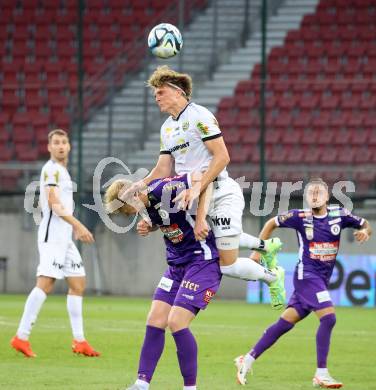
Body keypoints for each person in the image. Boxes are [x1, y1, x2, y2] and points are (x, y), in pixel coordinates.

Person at [122, 65, 285, 308]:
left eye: (161, 92)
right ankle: (265, 246)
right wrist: (141, 183)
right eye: (155, 93)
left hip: (220, 192)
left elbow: (222, 157)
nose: (156, 97)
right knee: (211, 245)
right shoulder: (166, 128)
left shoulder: (200, 116)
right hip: (191, 195)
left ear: (178, 92)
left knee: (227, 264)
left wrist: (197, 188)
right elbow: (164, 169)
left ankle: (273, 276)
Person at [235, 178, 372, 388]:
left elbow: (365, 224)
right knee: (329, 318)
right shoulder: (300, 217)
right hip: (306, 277)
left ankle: (248, 358)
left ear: (327, 196)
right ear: (306, 198)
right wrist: (257, 251)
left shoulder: (339, 214)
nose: (315, 196)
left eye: (319, 192)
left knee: (284, 324)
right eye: (311, 193)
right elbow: (271, 223)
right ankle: (321, 374)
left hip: (321, 279)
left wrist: (365, 232)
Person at [105, 172, 224, 390]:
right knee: (155, 319)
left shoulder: (163, 189)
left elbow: (202, 178)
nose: (130, 213)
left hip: (201, 260)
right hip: (177, 266)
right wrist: (149, 226)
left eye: (127, 209)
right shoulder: (146, 206)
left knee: (176, 322)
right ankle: (142, 384)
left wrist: (200, 219)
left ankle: (190, 388)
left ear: (134, 194)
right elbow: (165, 220)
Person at [10, 129, 100, 358]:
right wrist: (78, 225)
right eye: (56, 143)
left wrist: (72, 229)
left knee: (78, 283)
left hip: (65, 238)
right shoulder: (51, 169)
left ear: (69, 146)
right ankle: (21, 336)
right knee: (46, 282)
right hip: (52, 236)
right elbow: (53, 202)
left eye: (64, 142)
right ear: (49, 147)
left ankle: (79, 341)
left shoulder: (62, 171)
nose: (61, 146)